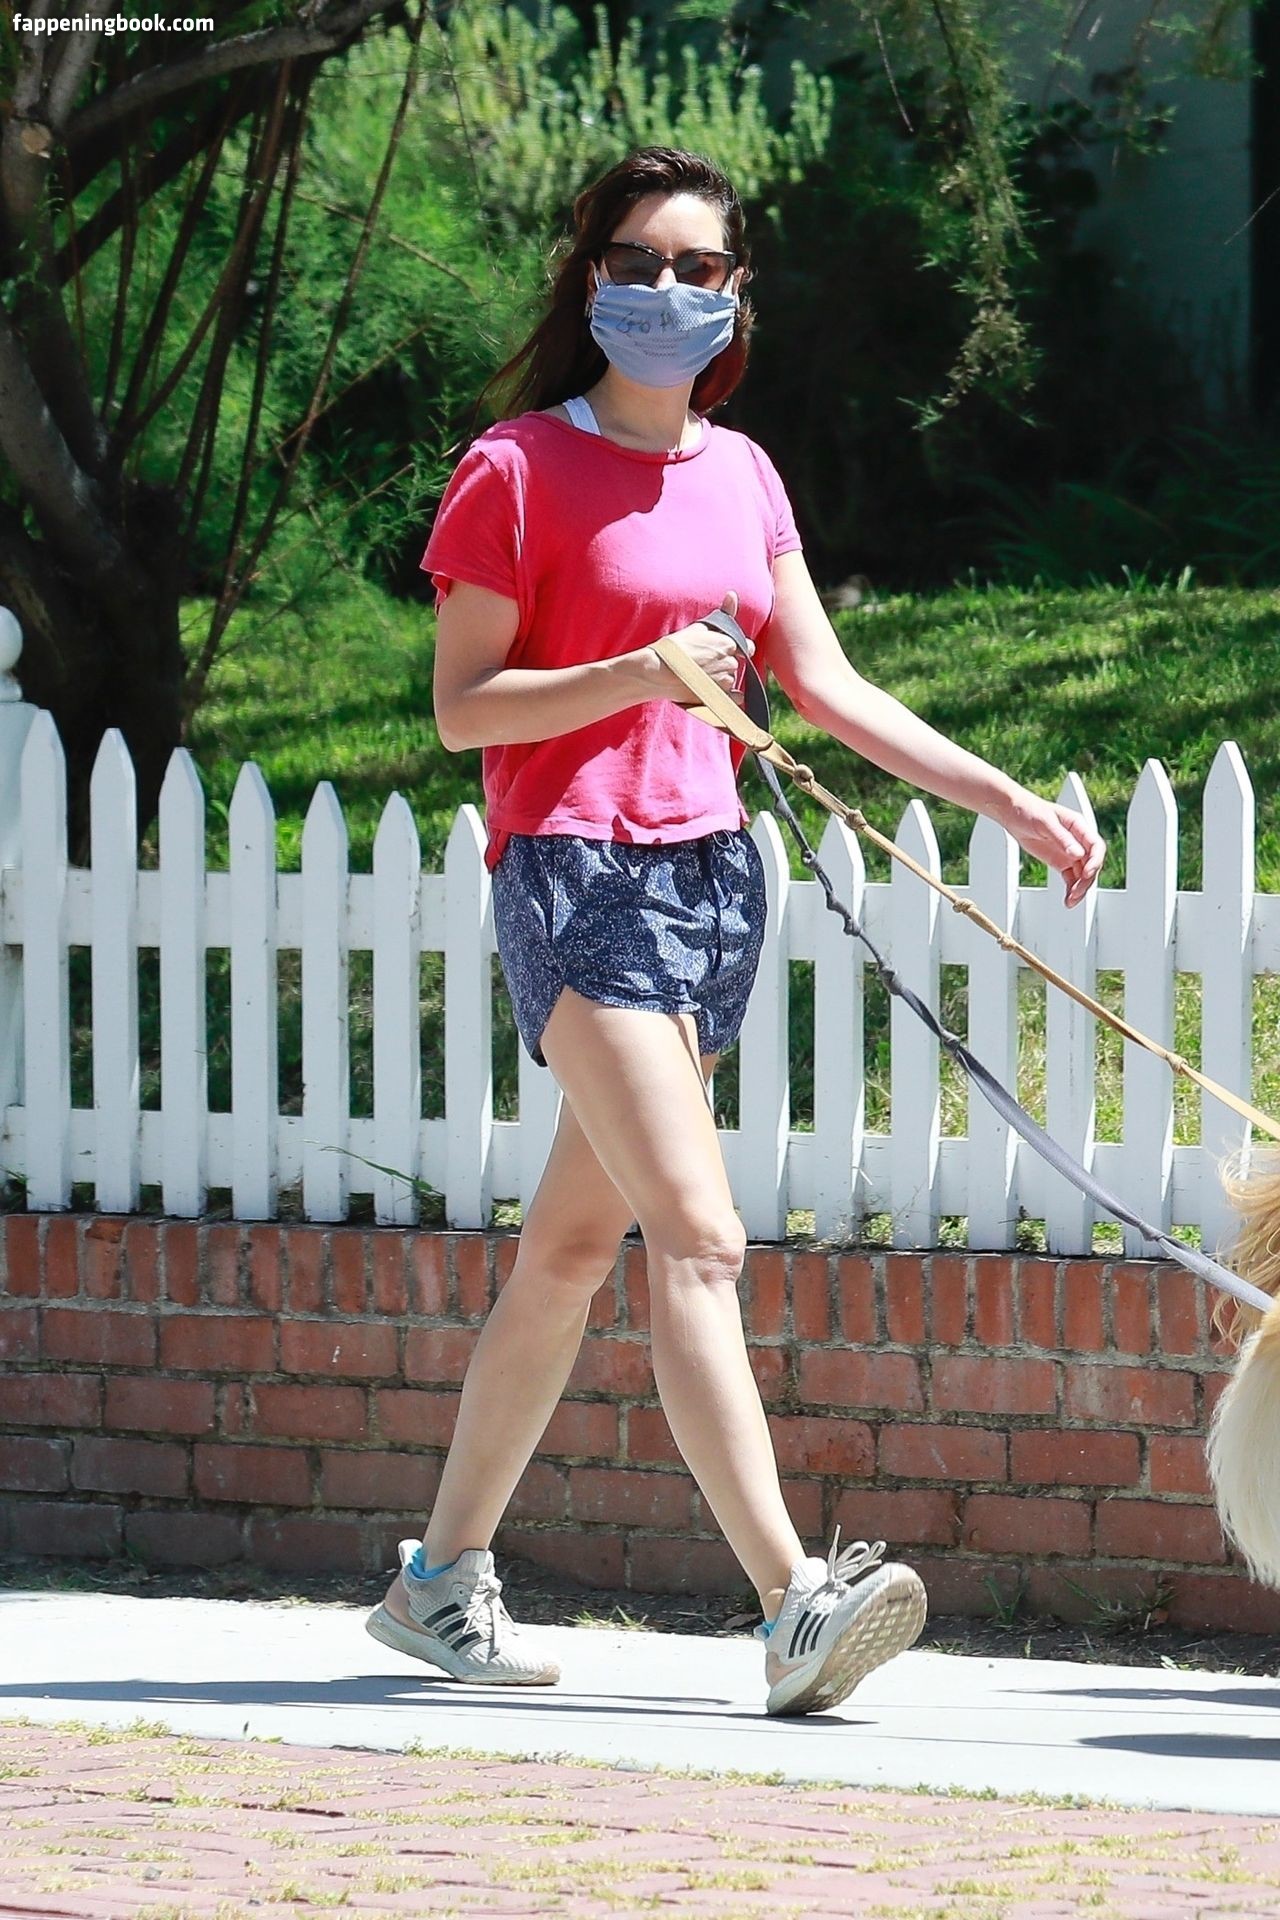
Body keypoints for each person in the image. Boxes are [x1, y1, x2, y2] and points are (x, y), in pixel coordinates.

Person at [365, 146, 1106, 1717]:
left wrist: (1009, 802)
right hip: (575, 876)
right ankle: (792, 1605)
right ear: (591, 278)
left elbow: (825, 686)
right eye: (636, 260)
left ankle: (438, 1583)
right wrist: (637, 672)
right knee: (698, 1237)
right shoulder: (515, 468)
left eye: (697, 266)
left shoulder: (742, 474)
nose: (665, 288)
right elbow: (462, 709)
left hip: (711, 887)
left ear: (735, 289)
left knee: (571, 1251)